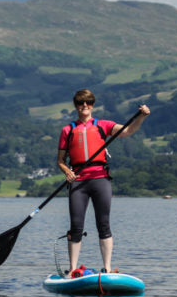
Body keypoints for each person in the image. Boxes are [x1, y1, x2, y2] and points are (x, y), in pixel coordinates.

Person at [57, 89, 149, 277]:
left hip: (100, 179)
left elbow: (129, 130)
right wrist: (68, 172)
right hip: (78, 182)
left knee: (103, 224)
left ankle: (106, 268)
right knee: (76, 226)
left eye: (89, 103)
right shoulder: (68, 130)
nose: (85, 106)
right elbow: (60, 160)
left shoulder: (103, 125)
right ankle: (73, 269)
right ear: (76, 106)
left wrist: (141, 117)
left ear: (92, 105)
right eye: (81, 103)